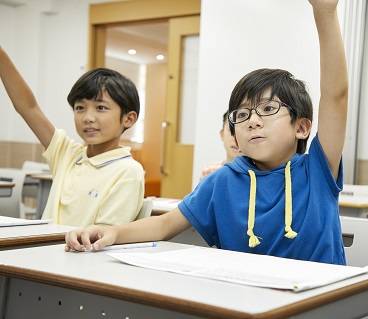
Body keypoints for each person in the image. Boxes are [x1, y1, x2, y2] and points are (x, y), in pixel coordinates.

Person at [65, 0, 348, 265]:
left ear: (301, 127)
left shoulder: (317, 171)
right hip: (249, 301)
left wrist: (325, 12)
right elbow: (165, 224)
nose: (253, 121)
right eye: (242, 115)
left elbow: (336, 96)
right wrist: (112, 233)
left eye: (267, 109)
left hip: (319, 301)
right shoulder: (224, 180)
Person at [0, 47, 145, 227]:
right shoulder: (68, 154)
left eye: (101, 108)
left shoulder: (128, 171)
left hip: (79, 254)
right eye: (80, 108)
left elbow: (104, 235)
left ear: (128, 119)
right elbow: (28, 108)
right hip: (45, 250)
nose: (88, 118)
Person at [200, 111, 241, 178]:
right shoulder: (209, 174)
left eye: (241, 131)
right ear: (222, 134)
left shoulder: (260, 174)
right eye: (231, 130)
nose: (236, 138)